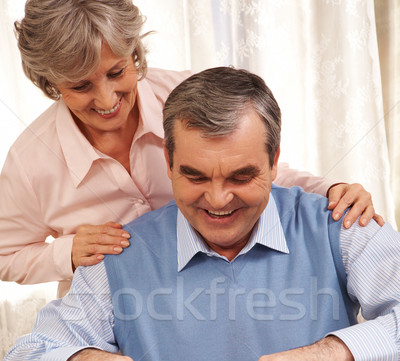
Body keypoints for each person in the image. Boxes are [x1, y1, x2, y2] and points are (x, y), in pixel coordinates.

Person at [0, 66, 398, 361]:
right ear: (169, 162)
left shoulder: (340, 226)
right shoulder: (118, 258)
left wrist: (331, 354)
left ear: (274, 162)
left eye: (241, 176)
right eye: (195, 176)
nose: (218, 199)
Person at [0, 0, 381, 299]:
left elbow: (253, 173)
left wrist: (331, 191)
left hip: (219, 295)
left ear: (134, 52)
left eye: (116, 73)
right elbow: (6, 256)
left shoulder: (185, 99)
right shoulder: (31, 161)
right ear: (50, 82)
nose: (106, 98)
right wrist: (66, 252)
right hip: (117, 320)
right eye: (81, 86)